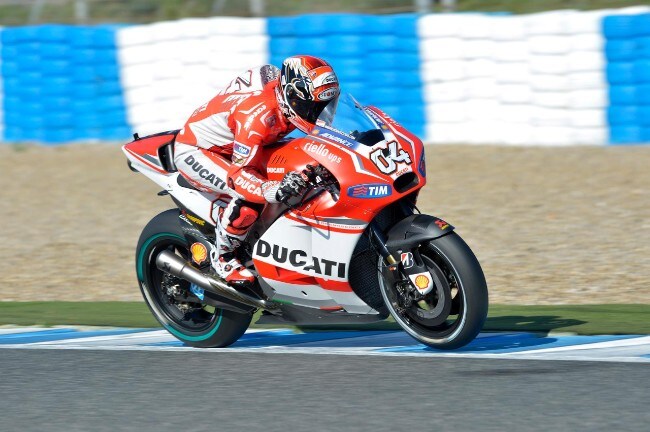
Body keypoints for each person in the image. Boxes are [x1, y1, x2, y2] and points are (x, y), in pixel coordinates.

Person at [173, 55, 340, 286]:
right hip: (199, 150)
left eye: (325, 105)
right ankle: (223, 258)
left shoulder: (286, 101)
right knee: (250, 199)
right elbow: (239, 176)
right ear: (291, 96)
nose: (319, 112)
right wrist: (273, 190)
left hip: (242, 144)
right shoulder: (258, 117)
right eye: (313, 106)